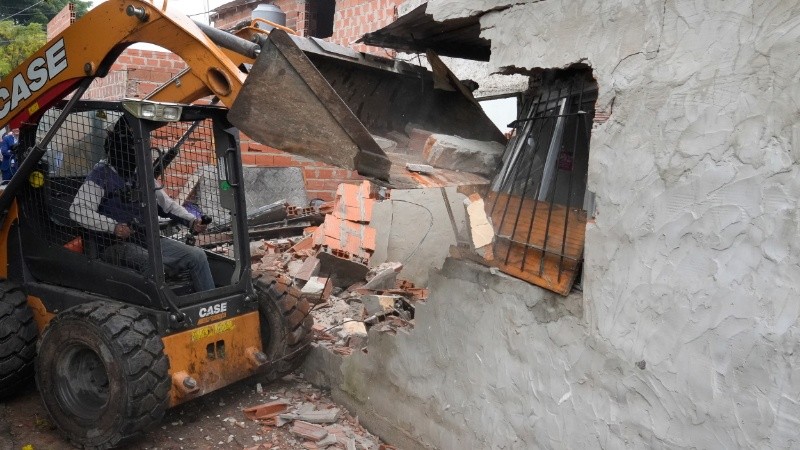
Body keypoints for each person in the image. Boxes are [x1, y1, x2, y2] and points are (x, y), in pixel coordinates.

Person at [70, 117, 215, 292]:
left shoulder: (140, 173)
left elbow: (166, 205)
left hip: (146, 239)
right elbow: (78, 210)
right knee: (149, 262)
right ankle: (164, 313)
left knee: (197, 256)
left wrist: (192, 221)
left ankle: (210, 310)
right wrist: (114, 227)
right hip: (112, 245)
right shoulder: (101, 175)